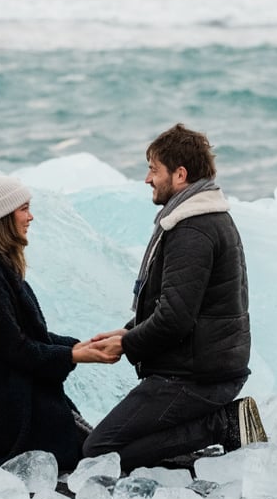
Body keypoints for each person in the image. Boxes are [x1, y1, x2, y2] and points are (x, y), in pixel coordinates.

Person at [82, 123, 267, 471]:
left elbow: (175, 318)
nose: (147, 179)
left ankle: (224, 424)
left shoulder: (193, 229)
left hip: (196, 376)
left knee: (99, 455)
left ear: (180, 174)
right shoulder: (201, 219)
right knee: (120, 447)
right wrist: (129, 331)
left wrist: (126, 345)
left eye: (154, 170)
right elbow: (174, 307)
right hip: (203, 368)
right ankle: (201, 455)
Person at [0, 173, 114, 473]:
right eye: (23, 209)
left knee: (95, 441)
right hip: (5, 410)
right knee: (98, 450)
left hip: (19, 396)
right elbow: (16, 348)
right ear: (4, 216)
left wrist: (78, 346)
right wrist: (75, 355)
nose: (30, 216)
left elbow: (25, 334)